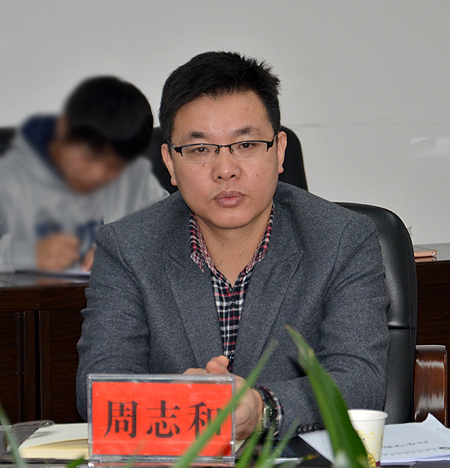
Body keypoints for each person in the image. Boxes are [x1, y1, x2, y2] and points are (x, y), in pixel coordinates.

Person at [76, 52, 389, 440]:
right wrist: (179, 401)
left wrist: (263, 408)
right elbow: (100, 389)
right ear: (170, 163)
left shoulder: (342, 239)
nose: (225, 170)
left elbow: (360, 380)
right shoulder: (127, 248)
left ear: (279, 151)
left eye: (246, 144)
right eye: (200, 149)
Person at [0, 76, 167, 273]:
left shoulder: (136, 181)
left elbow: (172, 231)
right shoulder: (10, 178)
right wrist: (23, 254)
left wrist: (118, 251)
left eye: (114, 166)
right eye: (90, 157)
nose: (98, 174)